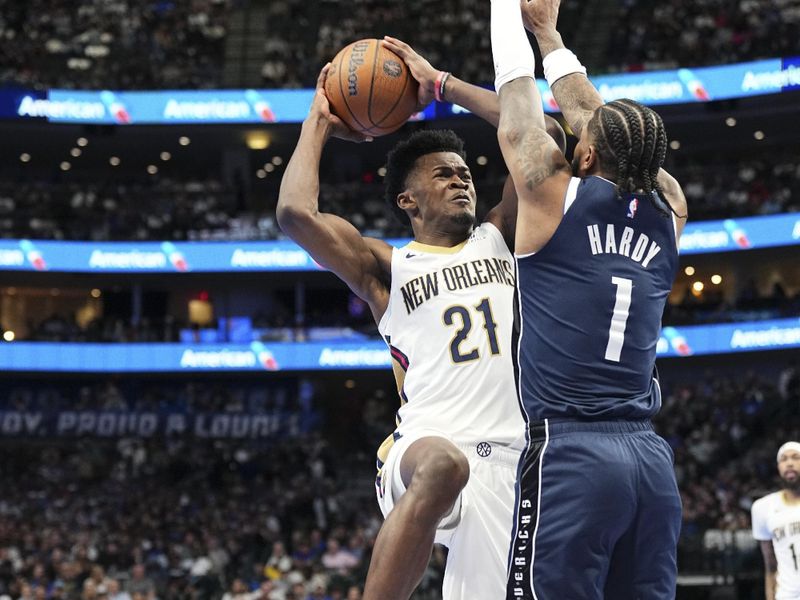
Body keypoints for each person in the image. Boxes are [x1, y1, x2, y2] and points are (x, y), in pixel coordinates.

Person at [277, 46, 564, 599]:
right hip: (424, 447)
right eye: (442, 175)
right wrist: (319, 122)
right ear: (407, 199)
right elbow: (295, 214)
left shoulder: (502, 236)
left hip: (512, 458)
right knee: (443, 465)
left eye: (464, 173)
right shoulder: (386, 266)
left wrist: (443, 86)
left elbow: (543, 131)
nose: (462, 181)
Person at [489, 0, 688, 598]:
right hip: (650, 464)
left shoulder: (552, 198)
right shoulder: (670, 208)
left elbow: (522, 109)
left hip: (572, 452)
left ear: (589, 154)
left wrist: (507, 10)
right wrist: (548, 36)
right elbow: (596, 119)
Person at [752, 442, 800, 600]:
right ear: (779, 467)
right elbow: (770, 566)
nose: (790, 463)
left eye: (796, 457)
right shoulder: (762, 508)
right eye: (784, 459)